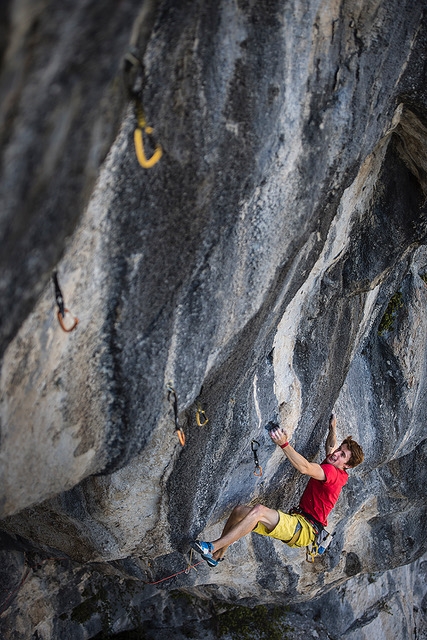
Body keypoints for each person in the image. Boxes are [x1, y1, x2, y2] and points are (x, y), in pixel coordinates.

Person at [191, 414, 364, 567]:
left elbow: (304, 468)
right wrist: (332, 429)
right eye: (340, 450)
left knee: (259, 511)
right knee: (238, 512)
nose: (337, 454)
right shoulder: (334, 463)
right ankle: (217, 556)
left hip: (304, 530)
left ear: (347, 466)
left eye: (342, 455)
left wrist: (284, 444)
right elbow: (331, 446)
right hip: (298, 522)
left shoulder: (333, 473)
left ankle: (212, 546)